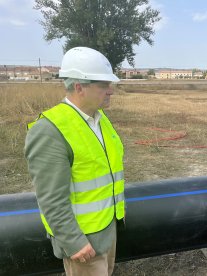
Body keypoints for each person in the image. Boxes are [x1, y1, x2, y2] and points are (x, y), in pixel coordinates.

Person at [25, 46, 125, 276]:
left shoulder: (99, 119)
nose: (111, 90)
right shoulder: (49, 130)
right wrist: (73, 242)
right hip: (83, 243)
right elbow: (50, 197)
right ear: (79, 87)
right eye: (103, 85)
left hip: (106, 229)